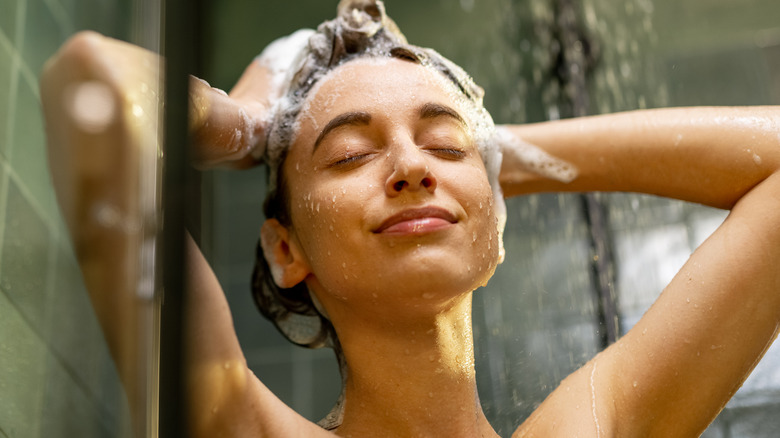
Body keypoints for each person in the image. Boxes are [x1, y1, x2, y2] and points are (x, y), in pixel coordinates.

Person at [41, 1, 779, 437]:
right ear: (285, 249)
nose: (411, 166)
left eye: (442, 145)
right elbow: (91, 84)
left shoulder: (598, 421)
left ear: (493, 226)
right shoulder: (236, 420)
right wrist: (250, 121)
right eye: (351, 154)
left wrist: (500, 158)